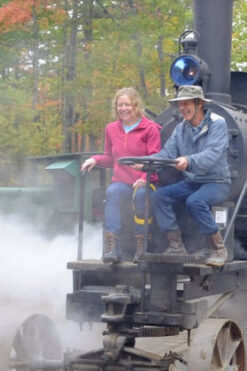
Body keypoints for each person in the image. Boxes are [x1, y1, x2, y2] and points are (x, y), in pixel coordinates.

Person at [149, 85, 230, 267]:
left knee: (195, 201)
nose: (183, 108)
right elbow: (167, 153)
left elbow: (212, 155)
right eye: (180, 105)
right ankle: (176, 245)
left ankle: (219, 249)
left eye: (187, 104)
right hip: (193, 182)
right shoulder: (180, 129)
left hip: (216, 182)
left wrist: (188, 160)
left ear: (199, 103)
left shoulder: (218, 123)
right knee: (158, 196)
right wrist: (147, 162)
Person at [80, 87, 161, 263]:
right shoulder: (111, 129)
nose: (123, 109)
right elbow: (110, 158)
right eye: (120, 105)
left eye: (127, 105)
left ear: (136, 106)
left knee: (141, 195)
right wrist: (95, 159)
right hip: (123, 183)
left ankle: (142, 246)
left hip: (146, 181)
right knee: (112, 192)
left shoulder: (150, 128)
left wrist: (143, 177)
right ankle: (112, 248)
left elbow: (155, 158)